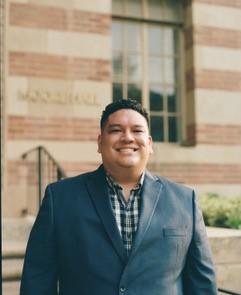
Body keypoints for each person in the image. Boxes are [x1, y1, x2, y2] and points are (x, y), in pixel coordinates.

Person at [20, 99, 217, 294]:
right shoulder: (60, 199)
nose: (128, 138)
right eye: (116, 130)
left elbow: (202, 286)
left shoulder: (184, 200)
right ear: (100, 142)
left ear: (149, 144)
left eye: (137, 131)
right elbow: (37, 282)